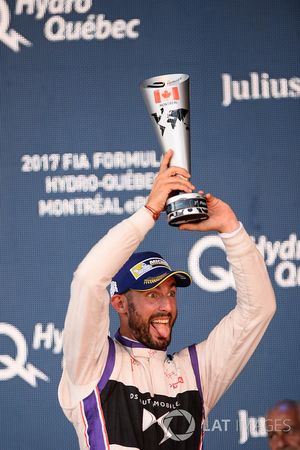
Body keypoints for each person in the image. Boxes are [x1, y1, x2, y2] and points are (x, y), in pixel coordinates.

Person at [58, 149, 276, 450]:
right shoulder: (92, 363)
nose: (166, 306)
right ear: (119, 303)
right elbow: (88, 279)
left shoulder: (195, 372)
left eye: (171, 293)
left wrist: (231, 228)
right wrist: (148, 213)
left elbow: (259, 310)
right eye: (151, 294)